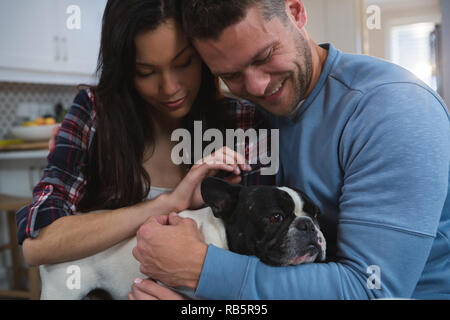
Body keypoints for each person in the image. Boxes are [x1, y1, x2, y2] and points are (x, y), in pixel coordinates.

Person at [131, 0, 450, 299]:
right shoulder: (255, 114)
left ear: (296, 12)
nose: (255, 86)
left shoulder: (393, 109)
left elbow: (370, 291)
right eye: (231, 75)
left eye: (264, 56)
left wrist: (200, 270)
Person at [15, 0, 273, 299]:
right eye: (146, 72)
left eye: (184, 63)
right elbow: (38, 245)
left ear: (204, 53)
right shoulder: (95, 114)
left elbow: (264, 259)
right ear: (123, 70)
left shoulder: (241, 122)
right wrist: (167, 204)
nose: (169, 88)